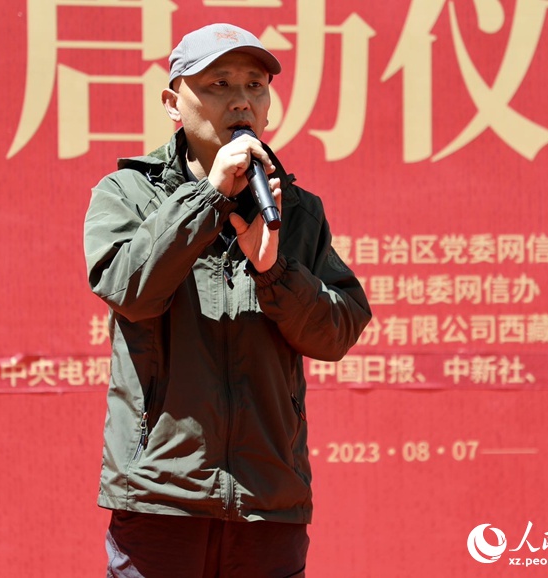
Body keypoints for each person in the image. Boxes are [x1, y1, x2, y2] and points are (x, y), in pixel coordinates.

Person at [84, 22, 372, 578]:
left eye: (255, 86)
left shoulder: (294, 209)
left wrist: (275, 273)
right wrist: (208, 197)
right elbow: (128, 290)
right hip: (161, 499)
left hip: (269, 502)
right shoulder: (128, 193)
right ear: (173, 103)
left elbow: (336, 332)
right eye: (219, 84)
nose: (241, 100)